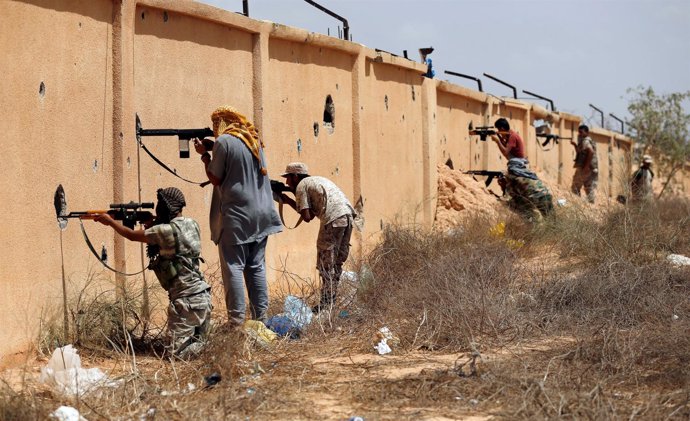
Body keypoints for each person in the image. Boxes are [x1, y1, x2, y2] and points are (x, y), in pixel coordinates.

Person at [95, 187, 211, 359]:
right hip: (202, 297)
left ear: (166, 208)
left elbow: (132, 235)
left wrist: (110, 221)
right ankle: (207, 347)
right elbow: (175, 243)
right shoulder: (192, 224)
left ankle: (211, 351)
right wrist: (153, 224)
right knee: (195, 344)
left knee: (175, 355)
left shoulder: (163, 231)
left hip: (186, 302)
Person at [194, 106, 282, 326]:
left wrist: (205, 157)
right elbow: (238, 160)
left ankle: (237, 323)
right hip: (262, 213)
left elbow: (215, 177)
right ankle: (260, 321)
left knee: (233, 266)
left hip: (238, 215)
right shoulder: (253, 139)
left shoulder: (224, 141)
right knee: (256, 267)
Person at [275, 162, 355, 313]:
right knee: (336, 262)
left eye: (288, 178)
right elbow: (311, 214)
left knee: (326, 262)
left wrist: (289, 200)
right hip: (347, 216)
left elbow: (307, 217)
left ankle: (326, 304)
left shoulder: (301, 186)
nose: (286, 182)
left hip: (332, 219)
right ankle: (330, 300)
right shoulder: (315, 180)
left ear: (295, 176)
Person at [570, 124, 598, 203]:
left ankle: (576, 204)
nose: (580, 134)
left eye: (581, 132)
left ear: (587, 132)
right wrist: (575, 145)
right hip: (591, 168)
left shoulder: (585, 141)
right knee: (588, 187)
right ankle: (591, 204)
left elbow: (591, 152)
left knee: (575, 187)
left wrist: (586, 167)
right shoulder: (586, 140)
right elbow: (580, 152)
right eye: (579, 132)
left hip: (585, 168)